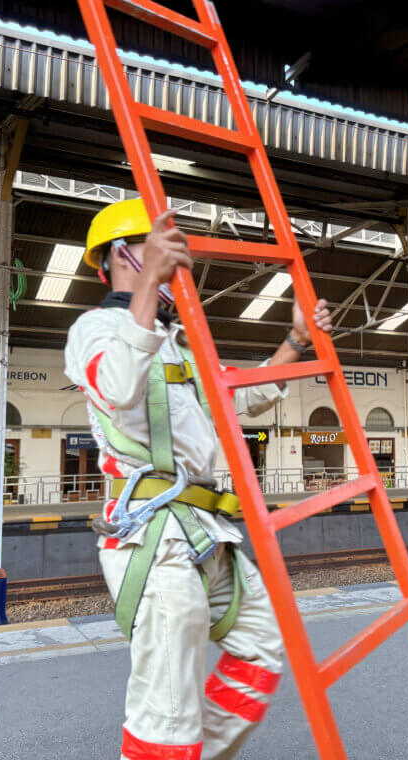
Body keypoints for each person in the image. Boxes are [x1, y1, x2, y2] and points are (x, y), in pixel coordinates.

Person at [64, 198, 332, 759]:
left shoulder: (181, 342)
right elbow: (116, 386)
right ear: (120, 255)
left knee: (259, 649)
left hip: (208, 533)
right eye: (156, 248)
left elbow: (239, 399)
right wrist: (147, 292)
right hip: (154, 538)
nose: (175, 263)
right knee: (168, 711)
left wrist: (296, 343)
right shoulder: (96, 329)